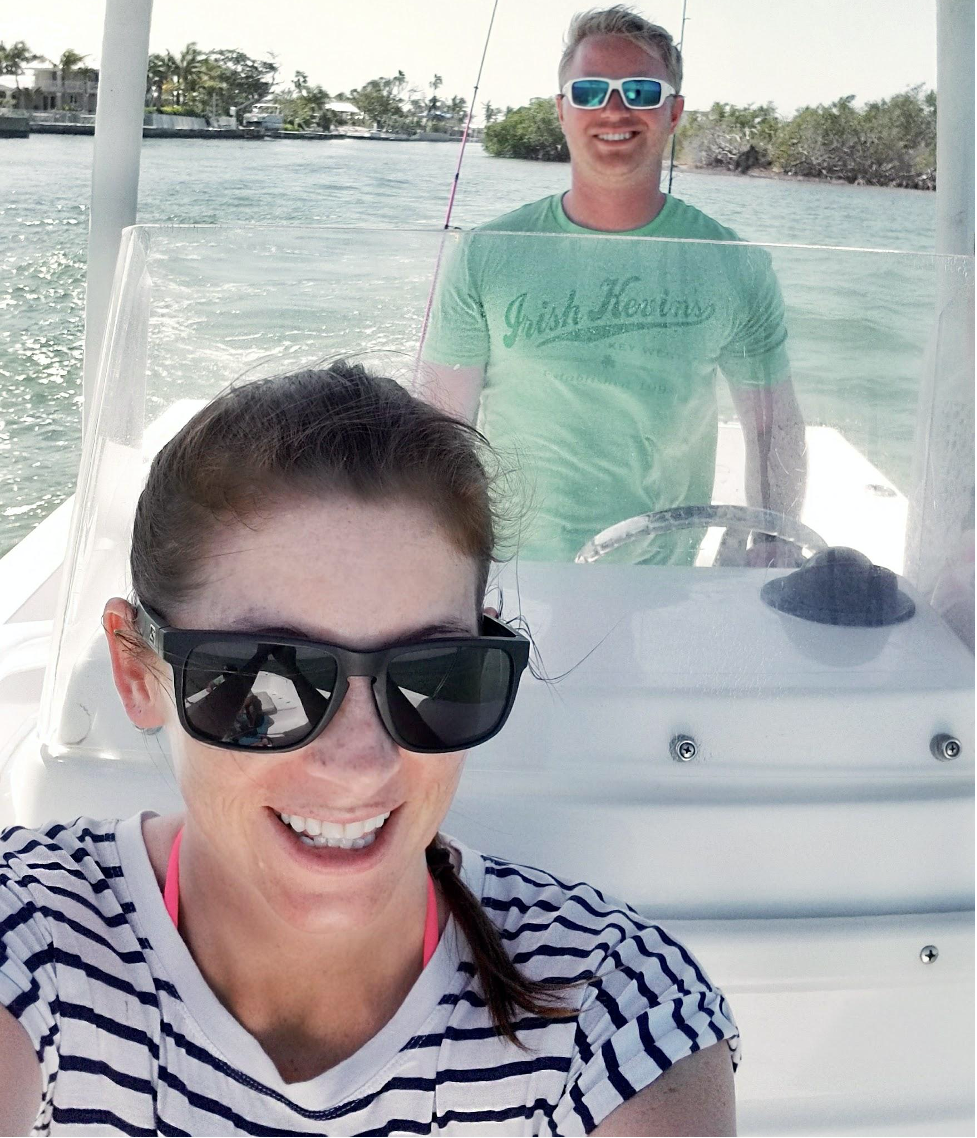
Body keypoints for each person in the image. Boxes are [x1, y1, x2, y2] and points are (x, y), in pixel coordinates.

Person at [0, 364, 737, 1136]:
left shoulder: (610, 1010)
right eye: (263, 681)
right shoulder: (33, 938)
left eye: (433, 675)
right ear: (135, 670)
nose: (361, 762)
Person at [421, 6, 807, 565]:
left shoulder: (736, 264)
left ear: (673, 113)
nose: (614, 108)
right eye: (590, 91)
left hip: (663, 578)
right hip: (515, 579)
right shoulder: (485, 253)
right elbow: (443, 424)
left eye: (643, 91)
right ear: (562, 111)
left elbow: (772, 426)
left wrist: (776, 539)